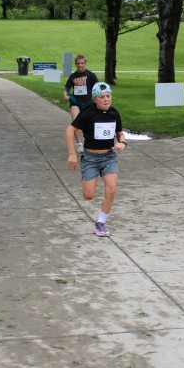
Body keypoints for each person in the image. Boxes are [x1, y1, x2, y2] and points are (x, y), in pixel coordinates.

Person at [65, 82, 127, 237]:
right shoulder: (88, 113)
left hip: (109, 157)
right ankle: (86, 176)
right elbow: (70, 130)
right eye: (102, 97)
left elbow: (120, 133)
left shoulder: (114, 113)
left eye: (108, 96)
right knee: (89, 196)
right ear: (94, 99)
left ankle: (100, 223)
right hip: (90, 158)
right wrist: (72, 153)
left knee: (111, 190)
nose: (106, 99)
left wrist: (122, 143)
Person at [63, 54, 98, 153]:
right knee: (75, 122)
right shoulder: (73, 76)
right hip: (76, 103)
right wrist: (65, 96)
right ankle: (79, 144)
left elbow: (97, 87)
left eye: (82, 63)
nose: (80, 65)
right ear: (75, 64)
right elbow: (66, 89)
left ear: (85, 63)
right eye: (78, 63)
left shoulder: (91, 75)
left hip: (89, 103)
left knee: (91, 124)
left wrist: (97, 99)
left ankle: (91, 142)